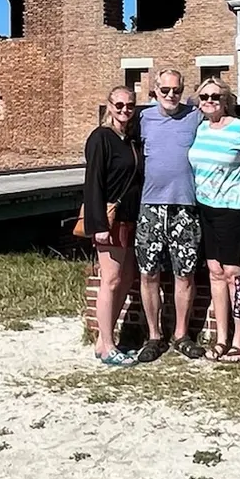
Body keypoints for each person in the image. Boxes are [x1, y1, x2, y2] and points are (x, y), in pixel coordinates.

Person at [135, 68, 204, 363]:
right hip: (150, 206)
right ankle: (153, 336)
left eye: (176, 90)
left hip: (185, 207)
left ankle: (181, 335)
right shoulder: (142, 119)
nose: (171, 95)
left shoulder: (195, 116)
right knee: (149, 273)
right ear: (155, 91)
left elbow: (222, 123)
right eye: (165, 90)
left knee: (184, 274)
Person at [188, 81, 240, 363]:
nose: (209, 100)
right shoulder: (201, 128)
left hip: (232, 210)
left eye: (215, 96)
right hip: (205, 208)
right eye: (204, 96)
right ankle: (221, 338)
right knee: (215, 272)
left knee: (235, 274)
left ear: (226, 99)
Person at [83, 86, 144, 366]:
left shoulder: (131, 140)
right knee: (111, 280)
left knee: (127, 277)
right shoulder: (101, 138)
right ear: (109, 106)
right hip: (109, 219)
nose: (124, 110)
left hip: (130, 218)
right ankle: (108, 345)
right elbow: (92, 183)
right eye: (119, 105)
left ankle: (103, 341)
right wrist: (97, 225)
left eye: (129, 106)